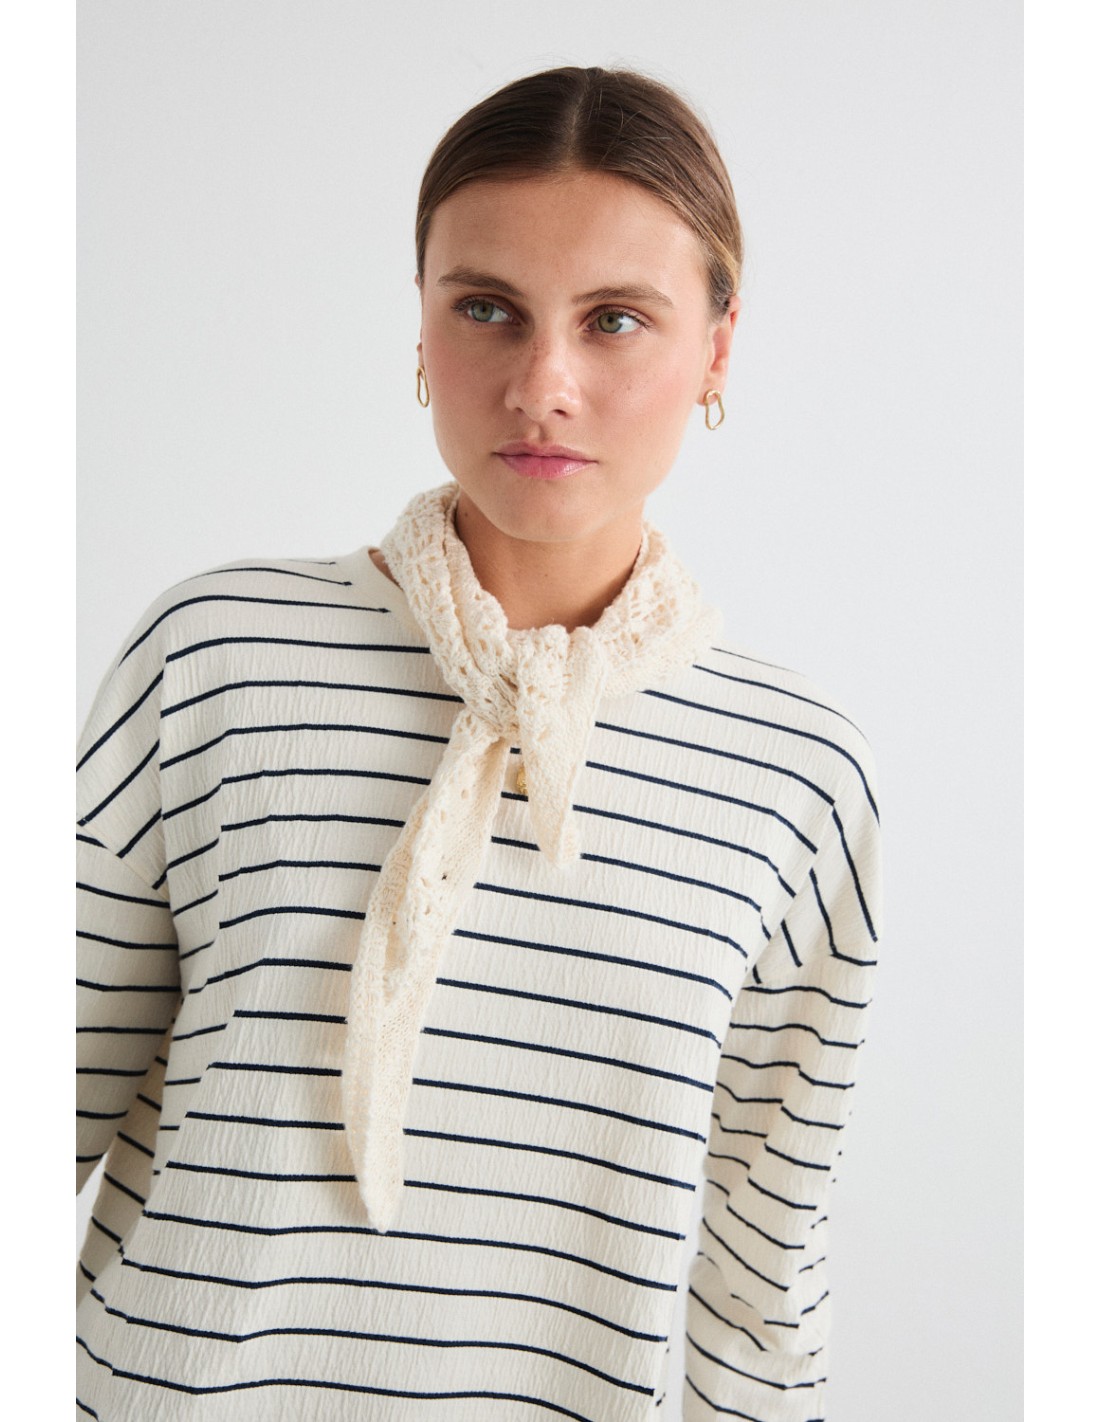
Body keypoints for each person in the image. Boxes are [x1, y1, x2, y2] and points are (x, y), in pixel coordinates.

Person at [76, 65, 882, 1422]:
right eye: (487, 308)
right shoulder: (215, 657)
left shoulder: (796, 775)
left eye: (615, 319)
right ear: (421, 325)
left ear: (718, 348)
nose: (542, 384)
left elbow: (762, 1276)